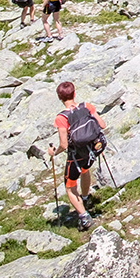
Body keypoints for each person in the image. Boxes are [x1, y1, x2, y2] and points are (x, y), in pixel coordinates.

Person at [47, 80, 106, 231]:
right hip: (92, 150)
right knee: (85, 170)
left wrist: (53, 153)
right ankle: (85, 199)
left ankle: (84, 217)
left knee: (69, 186)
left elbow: (64, 144)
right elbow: (102, 125)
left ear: (60, 98)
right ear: (74, 93)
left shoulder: (62, 117)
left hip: (76, 155)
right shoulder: (87, 106)